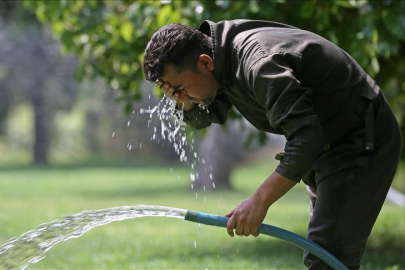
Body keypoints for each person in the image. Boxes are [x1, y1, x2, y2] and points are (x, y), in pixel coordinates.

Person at [143, 19, 402, 269]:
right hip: (328, 143)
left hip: (360, 136)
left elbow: (307, 137)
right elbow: (205, 115)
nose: (180, 97)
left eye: (180, 88)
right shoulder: (218, 58)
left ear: (204, 63)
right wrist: (183, 98)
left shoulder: (258, 62)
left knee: (328, 256)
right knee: (325, 252)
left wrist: (259, 200)